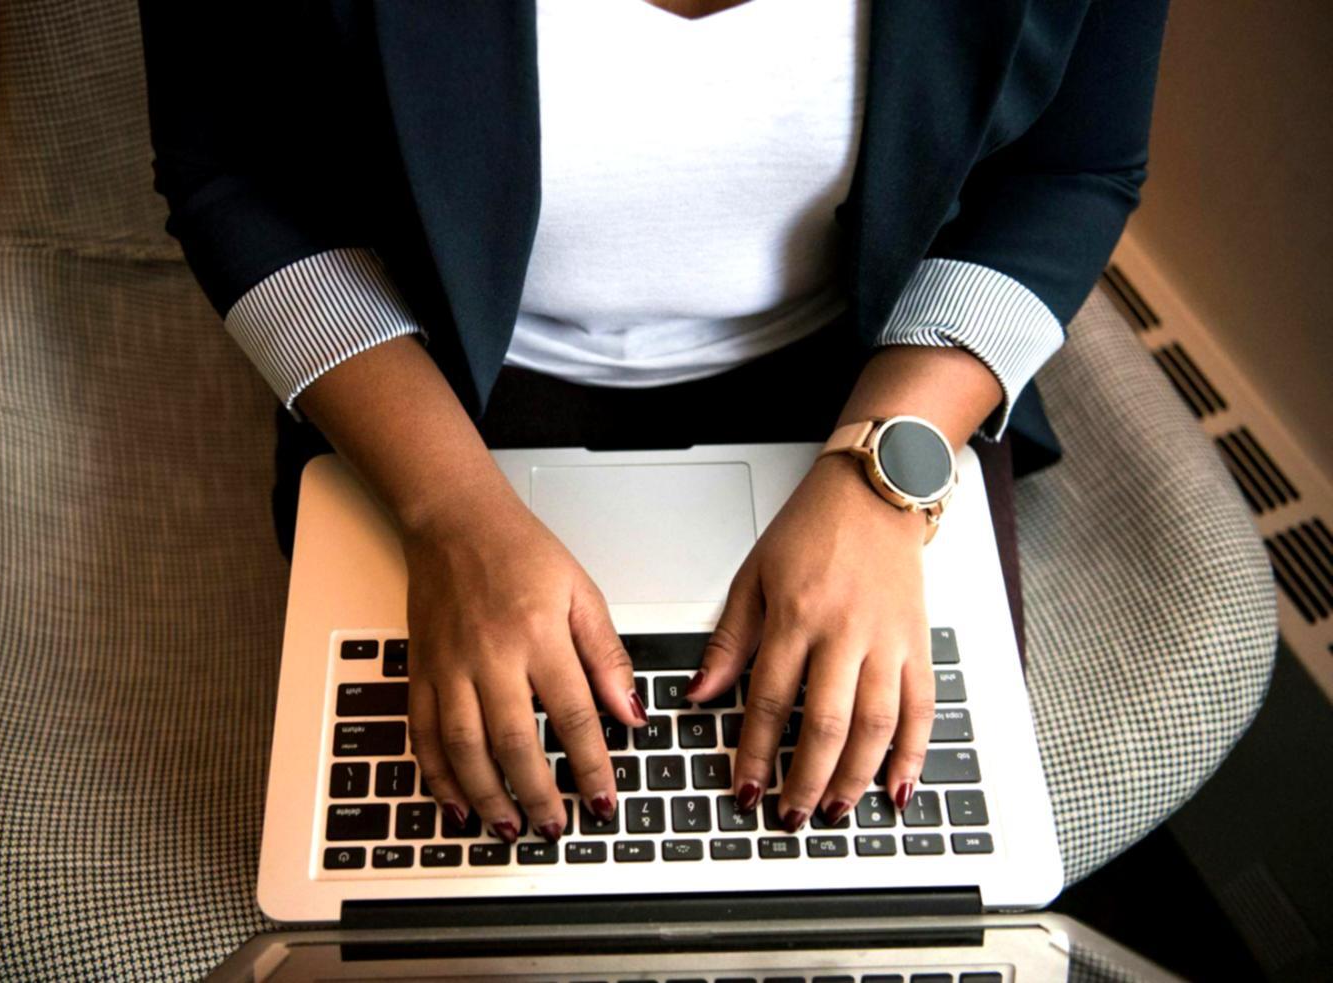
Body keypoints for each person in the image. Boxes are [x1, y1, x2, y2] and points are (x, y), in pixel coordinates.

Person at [139, 0, 1167, 845]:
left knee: (873, 872)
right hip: (430, 363)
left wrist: (883, 476)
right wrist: (450, 510)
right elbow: (231, 172)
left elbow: (1069, 169)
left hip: (868, 358)